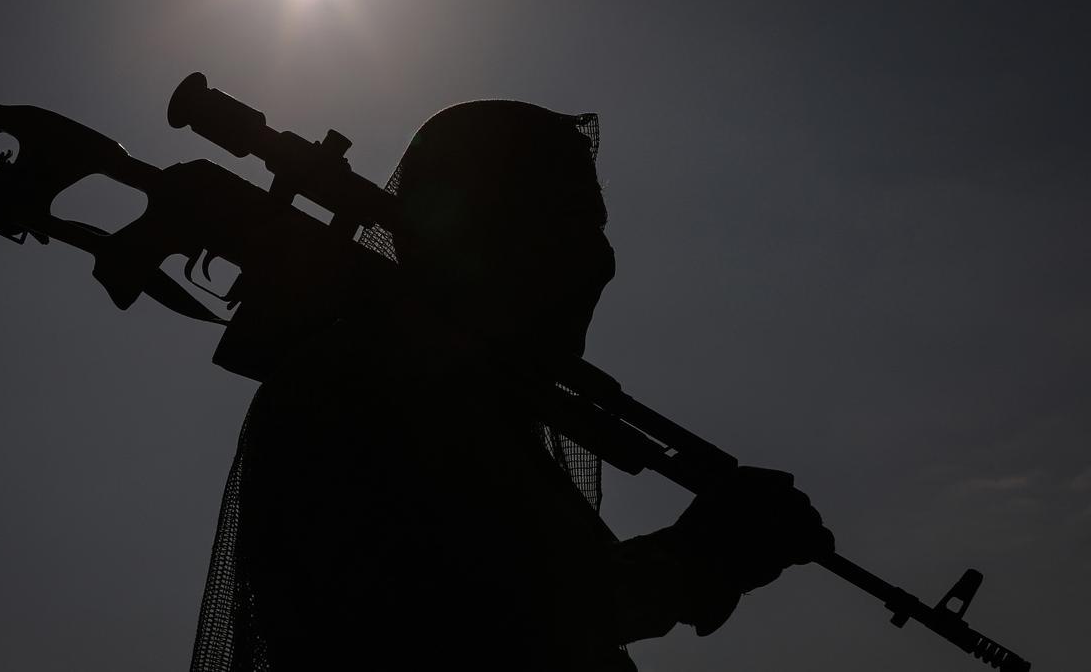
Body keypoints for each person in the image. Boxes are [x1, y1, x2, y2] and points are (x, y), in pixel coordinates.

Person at [190, 100, 834, 672]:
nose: (601, 260)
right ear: (488, 231)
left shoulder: (475, 403)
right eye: (569, 220)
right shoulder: (355, 388)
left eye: (596, 227)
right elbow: (449, 632)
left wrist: (696, 562)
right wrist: (694, 561)